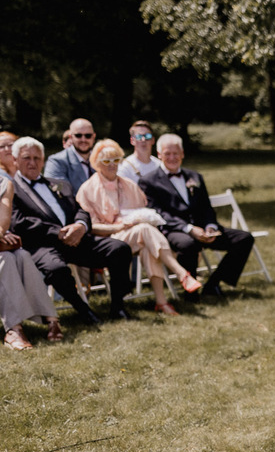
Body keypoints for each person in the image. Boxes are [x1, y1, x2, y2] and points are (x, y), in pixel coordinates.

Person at [9, 136, 133, 323]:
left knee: (120, 249)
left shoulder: (59, 184)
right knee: (56, 268)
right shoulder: (11, 189)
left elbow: (81, 210)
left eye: (37, 158)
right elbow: (18, 223)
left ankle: (118, 306)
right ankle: (83, 310)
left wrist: (80, 226)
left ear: (43, 160)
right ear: (15, 160)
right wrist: (57, 233)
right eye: (27, 158)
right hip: (41, 244)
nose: (33, 163)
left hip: (76, 240)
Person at [76, 138, 202, 316]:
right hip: (107, 240)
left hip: (137, 236)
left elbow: (144, 211)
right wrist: (119, 226)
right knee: (145, 231)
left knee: (147, 244)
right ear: (96, 163)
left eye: (116, 160)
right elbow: (90, 226)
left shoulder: (129, 185)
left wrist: (136, 220)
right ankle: (181, 273)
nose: (112, 165)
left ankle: (161, 302)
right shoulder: (88, 189)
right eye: (106, 161)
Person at [138, 133, 253, 298]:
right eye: (167, 153)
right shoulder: (149, 181)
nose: (172, 157)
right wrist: (189, 229)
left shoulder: (195, 177)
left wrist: (210, 227)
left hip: (202, 228)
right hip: (173, 229)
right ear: (159, 155)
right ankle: (190, 292)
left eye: (175, 153)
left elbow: (206, 207)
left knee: (244, 238)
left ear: (182, 154)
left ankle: (214, 283)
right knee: (188, 244)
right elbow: (157, 213)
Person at [1, 176, 63, 350]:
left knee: (21, 255)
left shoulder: (4, 184)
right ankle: (14, 329)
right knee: (5, 258)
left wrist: (2, 233)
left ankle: (50, 319)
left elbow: (4, 221)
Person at [43, 118, 96, 192]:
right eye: (78, 135)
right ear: (71, 137)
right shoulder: (56, 162)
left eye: (88, 136)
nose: (83, 140)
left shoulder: (103, 160)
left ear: (93, 137)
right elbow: (58, 194)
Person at [117, 120, 159, 185]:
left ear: (153, 140)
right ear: (132, 140)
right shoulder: (124, 167)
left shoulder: (160, 165)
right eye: (139, 137)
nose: (143, 140)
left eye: (147, 136)